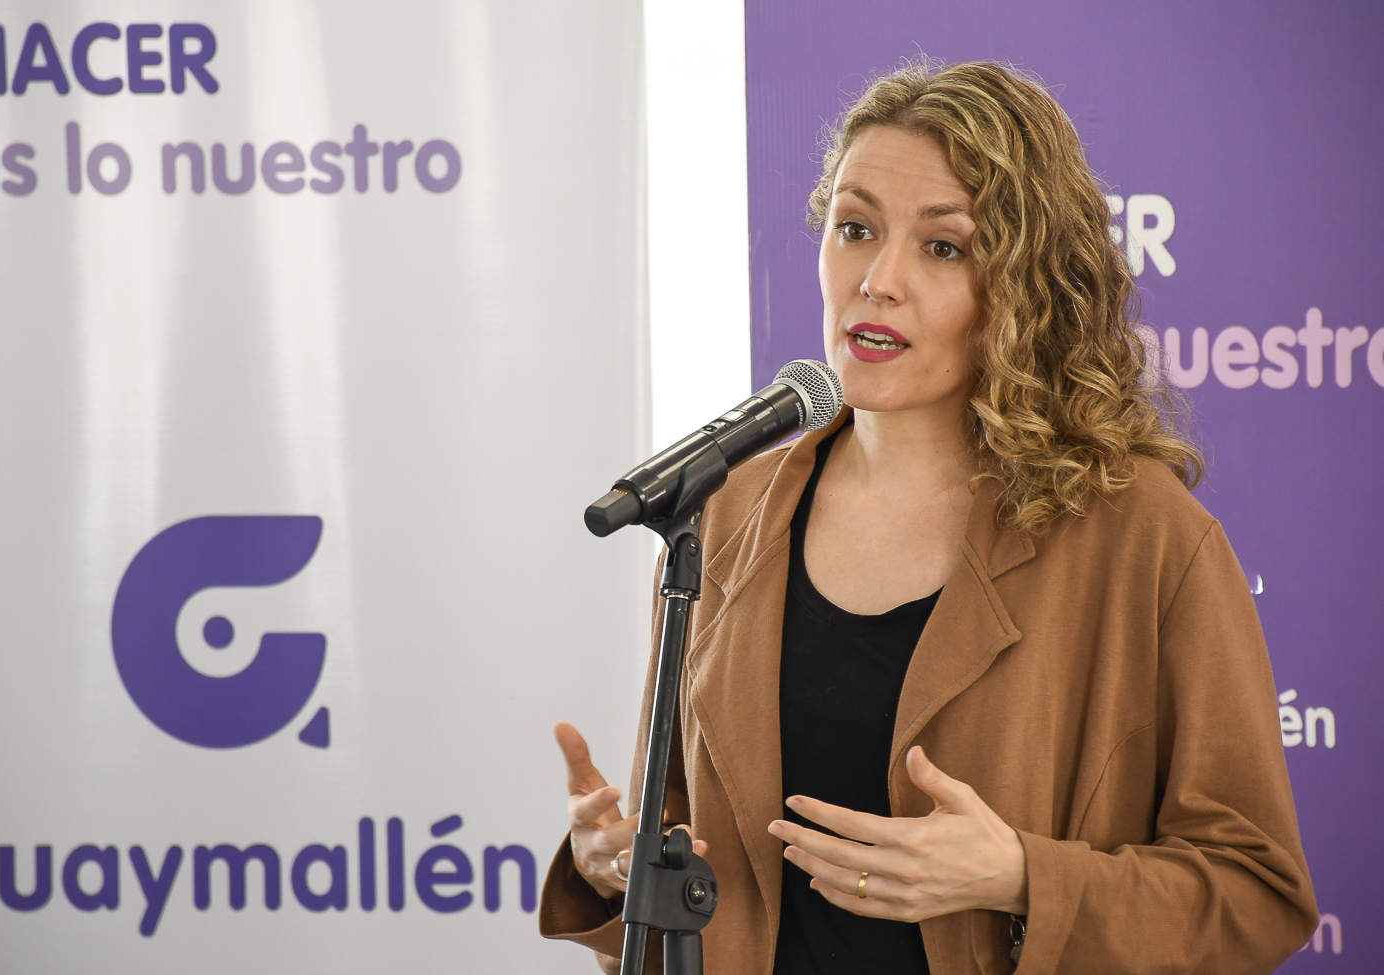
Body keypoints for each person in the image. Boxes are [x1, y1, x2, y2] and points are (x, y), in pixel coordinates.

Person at [539, 59, 1317, 974]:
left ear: (1027, 285)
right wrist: (618, 866)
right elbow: (684, 853)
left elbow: (1257, 895)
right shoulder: (728, 511)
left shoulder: (1145, 536)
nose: (878, 279)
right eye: (855, 229)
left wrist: (1023, 876)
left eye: (943, 247)